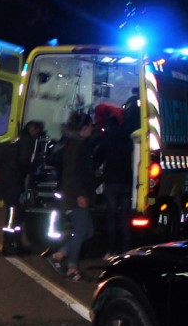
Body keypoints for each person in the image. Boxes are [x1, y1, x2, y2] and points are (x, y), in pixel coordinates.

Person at [46, 112, 95, 282]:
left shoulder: (76, 143)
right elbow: (73, 174)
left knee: (87, 231)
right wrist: (80, 195)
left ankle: (60, 255)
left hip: (75, 195)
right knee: (82, 230)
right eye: (90, 126)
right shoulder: (76, 146)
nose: (92, 128)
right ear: (83, 129)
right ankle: (72, 268)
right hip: (74, 196)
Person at [94, 99, 137, 258]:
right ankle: (125, 249)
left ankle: (111, 250)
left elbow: (98, 157)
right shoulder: (127, 138)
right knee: (125, 218)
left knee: (111, 217)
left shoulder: (106, 139)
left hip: (112, 181)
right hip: (126, 181)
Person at [0, 121, 42, 256]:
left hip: (11, 181)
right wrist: (34, 169)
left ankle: (16, 243)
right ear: (32, 129)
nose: (38, 135)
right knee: (13, 215)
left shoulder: (17, 139)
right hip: (14, 182)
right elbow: (24, 162)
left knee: (17, 215)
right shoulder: (26, 141)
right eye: (38, 131)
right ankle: (7, 246)